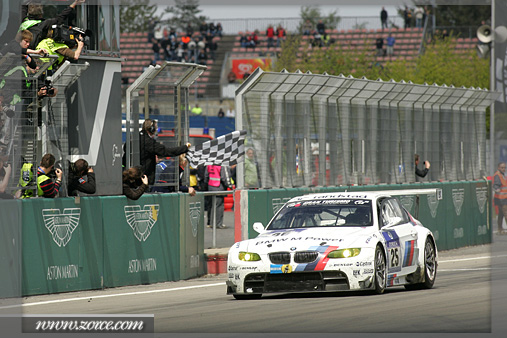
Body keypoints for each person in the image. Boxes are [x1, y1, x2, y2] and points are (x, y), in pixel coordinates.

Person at [139, 118, 190, 187]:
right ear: (151, 129)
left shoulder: (135, 137)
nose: (156, 130)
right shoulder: (148, 142)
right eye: (155, 128)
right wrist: (184, 148)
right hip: (143, 178)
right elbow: (166, 151)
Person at [19, 0, 86, 50]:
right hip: (35, 54)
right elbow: (62, 16)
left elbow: (23, 8)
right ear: (41, 14)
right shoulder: (45, 24)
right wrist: (75, 3)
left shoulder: (23, 21)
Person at [205, 165, 232, 229]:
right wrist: (229, 185)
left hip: (210, 186)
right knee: (219, 205)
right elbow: (225, 177)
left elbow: (206, 176)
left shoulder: (209, 165)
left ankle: (211, 223)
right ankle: (218, 224)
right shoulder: (222, 165)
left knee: (212, 205)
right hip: (219, 187)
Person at [493, 162, 507, 234]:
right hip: (501, 199)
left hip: (504, 198)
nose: (504, 169)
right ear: (498, 168)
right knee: (505, 213)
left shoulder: (503, 175)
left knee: (501, 214)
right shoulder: (498, 175)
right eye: (502, 167)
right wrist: (496, 189)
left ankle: (500, 229)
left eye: (504, 167)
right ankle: (500, 229)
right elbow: (496, 185)